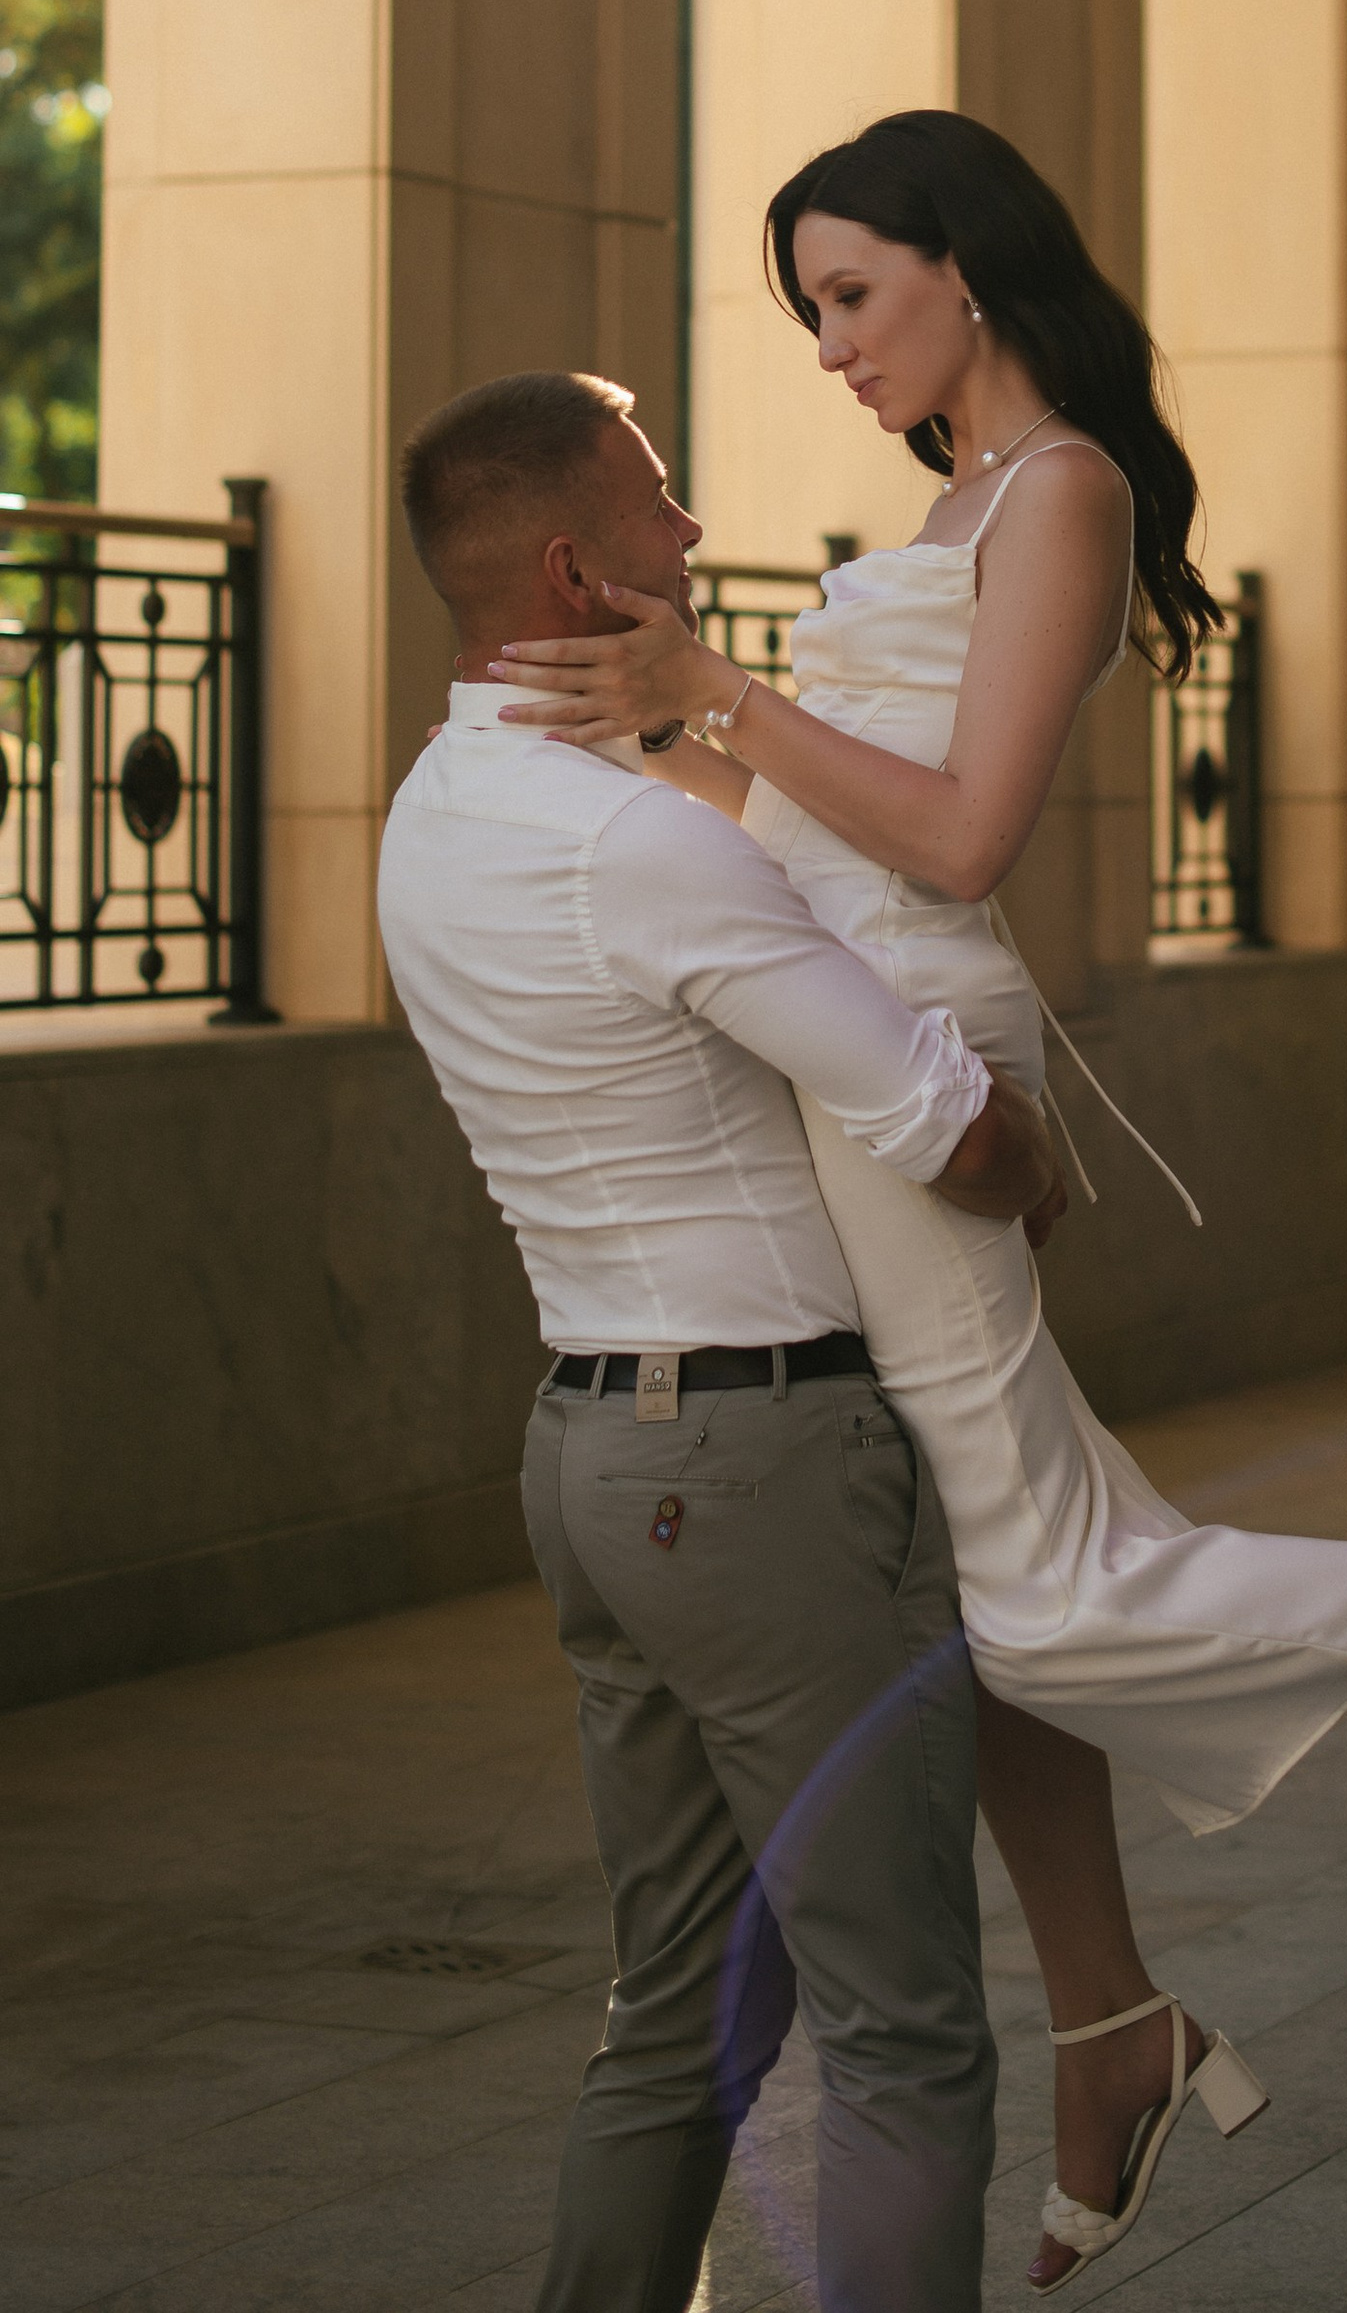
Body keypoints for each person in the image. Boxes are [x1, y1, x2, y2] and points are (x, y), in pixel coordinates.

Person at [497, 112, 1347, 2294]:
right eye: (808, 311)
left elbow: (954, 844)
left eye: (848, 296)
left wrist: (714, 688)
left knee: (1051, 1587)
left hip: (917, 1055)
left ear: (965, 265)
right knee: (966, 1564)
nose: (827, 349)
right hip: (849, 1039)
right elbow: (820, 834)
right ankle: (1110, 2026)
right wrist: (639, 729)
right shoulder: (955, 499)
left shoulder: (1064, 495)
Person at [377, 367, 1061, 2313]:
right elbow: (941, 1125)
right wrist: (1033, 1144)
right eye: (661, 501)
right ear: (583, 566)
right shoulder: (635, 841)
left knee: (668, 2015)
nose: (693, 534)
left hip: (590, 1454)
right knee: (903, 2025)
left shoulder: (431, 815)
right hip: (763, 1473)